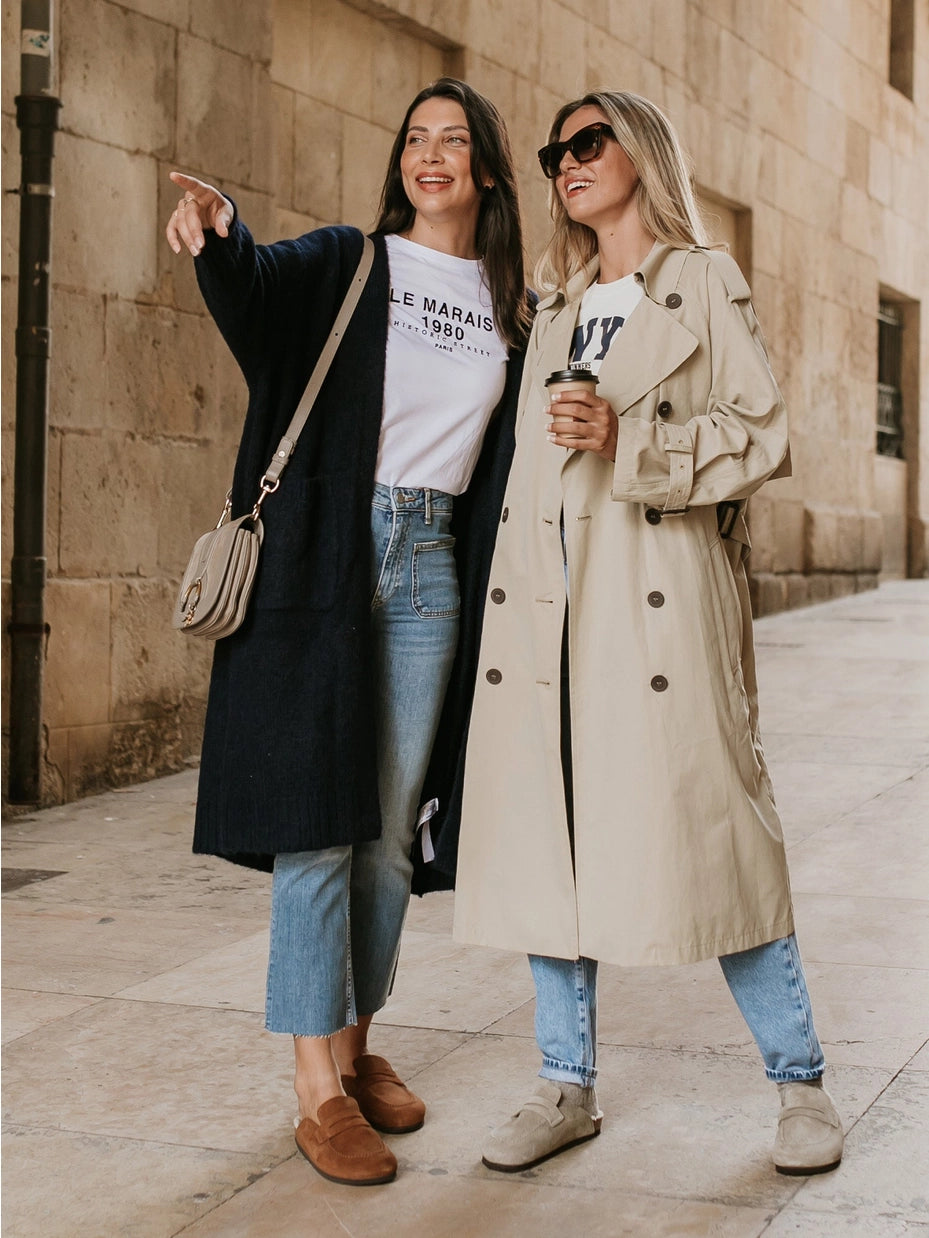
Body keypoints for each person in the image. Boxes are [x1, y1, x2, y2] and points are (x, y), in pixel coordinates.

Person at [446, 91, 845, 1177]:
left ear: (642, 152)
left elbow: (761, 433)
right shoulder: (557, 305)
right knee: (552, 840)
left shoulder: (702, 279)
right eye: (554, 152)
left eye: (589, 141)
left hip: (659, 603)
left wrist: (633, 440)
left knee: (719, 834)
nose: (566, 163)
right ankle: (563, 1083)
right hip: (550, 612)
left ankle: (799, 1083)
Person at [165, 77, 531, 1187]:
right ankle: (314, 1090)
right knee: (314, 823)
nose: (430, 155)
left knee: (387, 833)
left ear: (485, 169)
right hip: (323, 552)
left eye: (452, 140)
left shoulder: (513, 309)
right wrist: (221, 226)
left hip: (429, 563)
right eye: (415, 137)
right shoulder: (352, 262)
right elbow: (257, 290)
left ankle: (356, 1043)